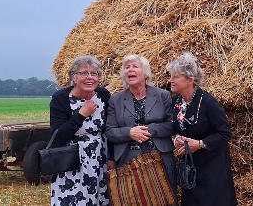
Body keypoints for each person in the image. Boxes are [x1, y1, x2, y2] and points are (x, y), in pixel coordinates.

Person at [167, 53, 237, 206]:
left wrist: (199, 144)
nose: (170, 80)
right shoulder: (177, 101)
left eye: (175, 77)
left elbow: (225, 133)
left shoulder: (208, 103)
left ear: (190, 80)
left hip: (212, 166)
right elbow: (177, 127)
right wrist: (177, 138)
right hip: (191, 166)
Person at [106, 54, 177, 197]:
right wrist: (130, 132)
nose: (130, 70)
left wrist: (150, 130)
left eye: (135, 66)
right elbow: (110, 131)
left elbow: (172, 126)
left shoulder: (162, 95)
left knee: (164, 198)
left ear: (145, 74)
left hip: (159, 156)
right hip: (128, 159)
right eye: (127, 67)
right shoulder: (116, 100)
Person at [49, 55, 114, 206]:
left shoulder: (103, 95)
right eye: (84, 73)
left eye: (94, 73)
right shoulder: (61, 98)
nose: (89, 77)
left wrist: (111, 156)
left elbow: (109, 129)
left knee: (100, 199)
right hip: (72, 159)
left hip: (100, 158)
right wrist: (81, 115)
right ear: (73, 77)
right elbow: (58, 135)